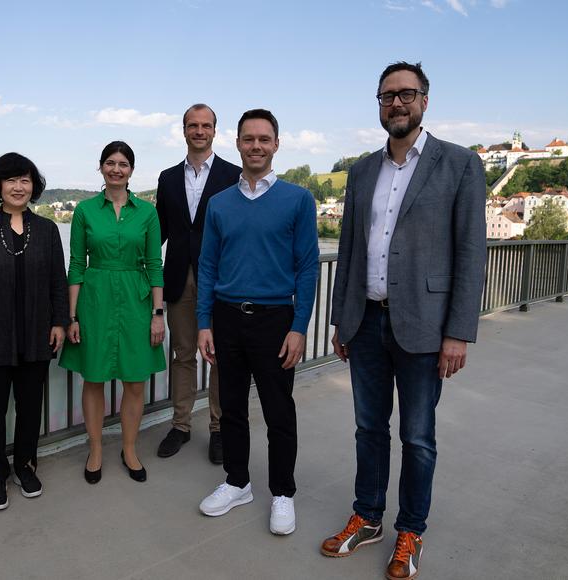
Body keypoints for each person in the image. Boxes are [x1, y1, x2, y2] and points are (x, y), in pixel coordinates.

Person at [320, 62, 486, 580]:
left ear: (424, 101)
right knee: (368, 428)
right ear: (378, 104)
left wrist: (458, 332)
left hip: (424, 326)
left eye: (406, 94)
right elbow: (348, 250)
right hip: (366, 322)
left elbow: (470, 253)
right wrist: (339, 320)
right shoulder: (364, 170)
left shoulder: (458, 164)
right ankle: (368, 517)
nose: (396, 103)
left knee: (417, 436)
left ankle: (411, 529)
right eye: (387, 95)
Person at [196, 109, 319, 536]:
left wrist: (299, 326)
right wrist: (203, 323)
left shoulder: (298, 200)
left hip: (275, 320)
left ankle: (282, 492)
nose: (256, 146)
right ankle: (237, 482)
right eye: (248, 139)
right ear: (238, 143)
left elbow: (307, 268)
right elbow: (207, 265)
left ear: (276, 144)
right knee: (231, 408)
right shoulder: (219, 204)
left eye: (264, 139)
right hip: (227, 318)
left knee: (278, 410)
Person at [0, 152, 67, 511]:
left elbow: (58, 282)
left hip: (37, 334)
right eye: (11, 180)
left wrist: (59, 323)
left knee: (29, 406)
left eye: (25, 180)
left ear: (33, 186)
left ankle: (25, 464)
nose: (19, 187)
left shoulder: (49, 230)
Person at [60, 141, 166, 484]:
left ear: (131, 170)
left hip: (136, 302)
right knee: (93, 379)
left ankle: (130, 448)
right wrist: (72, 316)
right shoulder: (85, 211)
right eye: (110, 163)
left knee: (134, 381)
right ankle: (95, 449)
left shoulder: (147, 212)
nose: (116, 169)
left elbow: (154, 264)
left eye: (123, 164)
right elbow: (76, 264)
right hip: (95, 301)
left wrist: (157, 312)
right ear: (101, 167)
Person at [155, 104, 241, 463]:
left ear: (215, 131)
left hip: (220, 280)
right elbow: (157, 233)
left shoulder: (233, 175)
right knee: (183, 354)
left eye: (206, 125)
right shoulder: (168, 177)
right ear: (184, 130)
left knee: (220, 356)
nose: (199, 131)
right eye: (193, 125)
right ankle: (181, 425)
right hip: (178, 278)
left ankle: (219, 429)